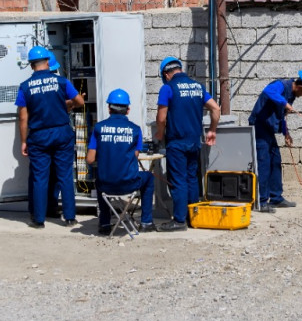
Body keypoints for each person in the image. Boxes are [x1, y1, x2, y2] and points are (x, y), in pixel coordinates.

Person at [15, 45, 85, 229]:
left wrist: (23, 141)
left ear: (31, 65)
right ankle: (70, 218)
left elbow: (23, 116)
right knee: (65, 176)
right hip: (61, 133)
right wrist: (67, 104)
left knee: (40, 177)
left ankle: (38, 220)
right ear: (47, 61)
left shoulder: (24, 87)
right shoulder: (62, 82)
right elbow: (80, 101)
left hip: (38, 136)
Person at [154, 56, 221, 232]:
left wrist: (159, 134)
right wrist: (212, 130)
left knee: (178, 181)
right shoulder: (198, 87)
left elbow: (161, 118)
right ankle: (194, 217)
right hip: (194, 142)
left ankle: (179, 220)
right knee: (192, 178)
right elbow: (216, 108)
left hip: (176, 142)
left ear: (166, 74)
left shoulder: (167, 88)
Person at [248, 68, 302, 212]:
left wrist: (286, 133)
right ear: (300, 87)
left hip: (269, 129)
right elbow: (268, 91)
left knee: (275, 161)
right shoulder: (282, 85)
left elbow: (281, 116)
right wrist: (285, 103)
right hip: (259, 127)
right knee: (264, 162)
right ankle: (261, 202)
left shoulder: (292, 94)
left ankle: (276, 198)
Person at [87, 89, 156, 234]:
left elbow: (90, 159)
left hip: (106, 185)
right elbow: (134, 156)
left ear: (109, 108)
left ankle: (105, 223)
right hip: (128, 184)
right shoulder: (135, 130)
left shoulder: (99, 128)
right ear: (128, 110)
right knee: (149, 177)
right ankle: (146, 222)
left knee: (100, 180)